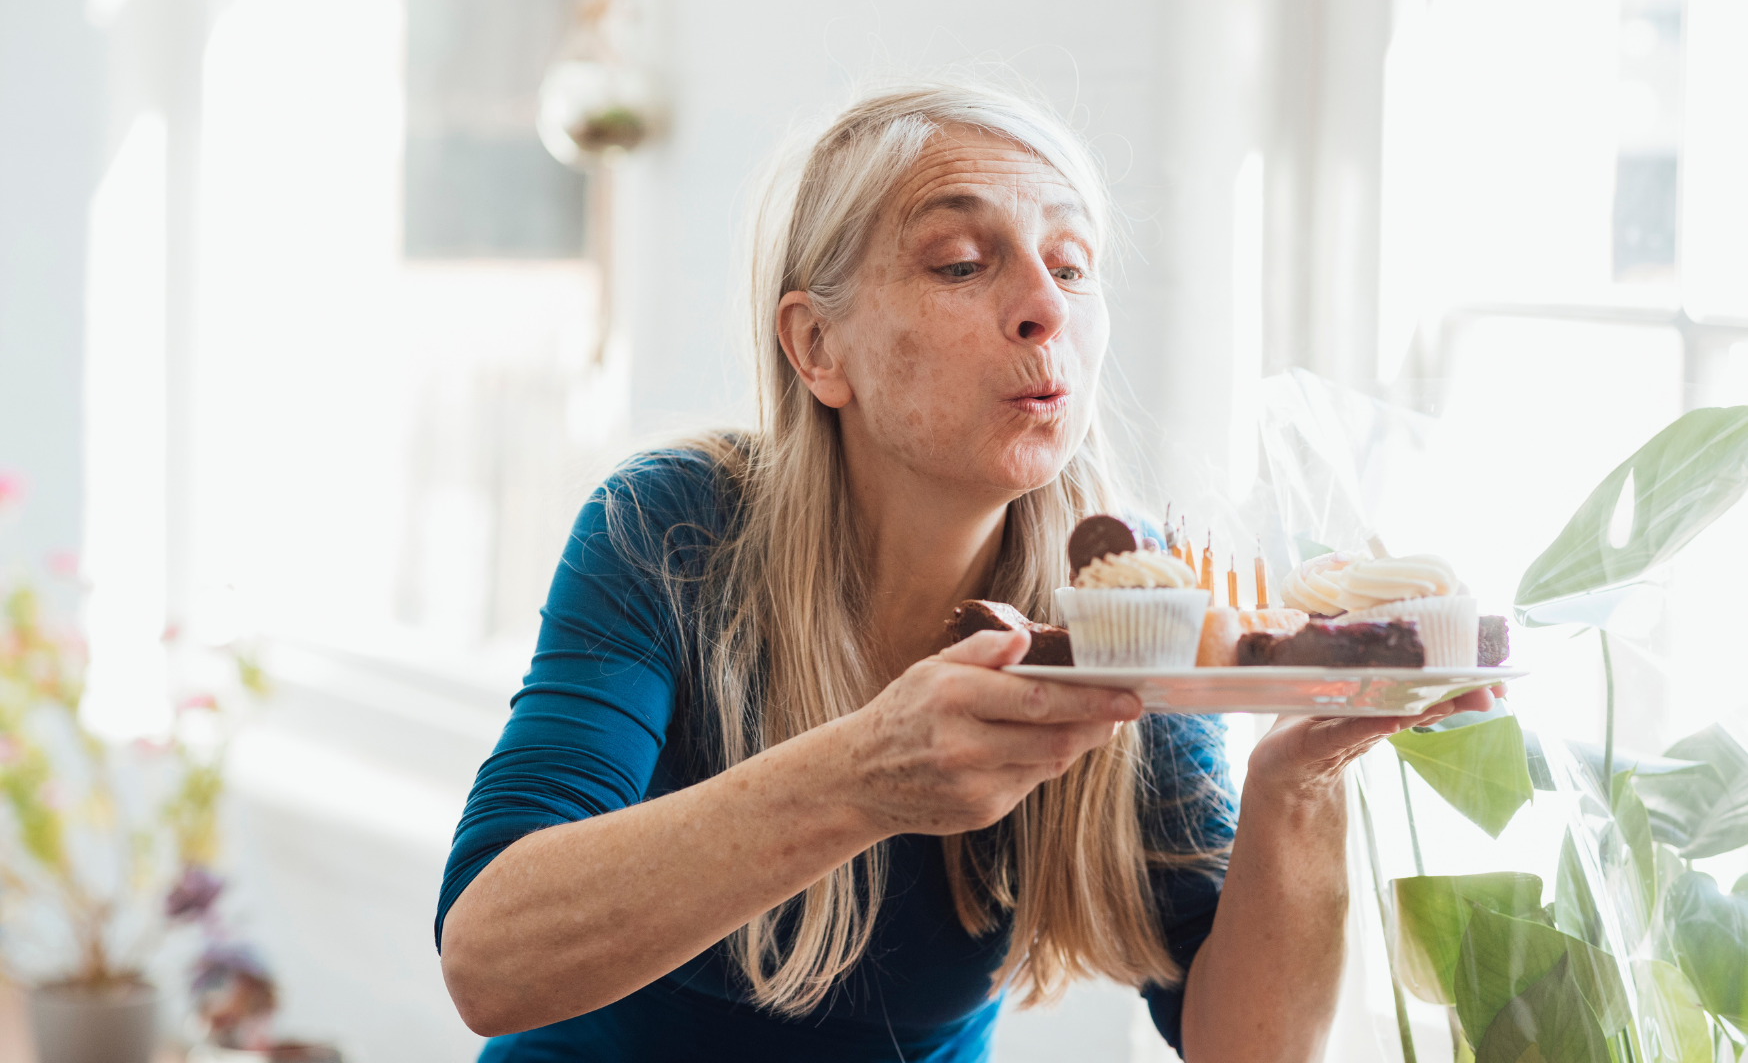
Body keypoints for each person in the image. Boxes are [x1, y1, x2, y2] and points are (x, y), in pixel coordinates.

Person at [434, 81, 1495, 1061]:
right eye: (959, 262)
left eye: (1071, 266)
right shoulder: (671, 529)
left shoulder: (1127, 604)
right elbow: (488, 959)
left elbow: (1246, 1048)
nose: (1046, 309)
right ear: (817, 348)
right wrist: (860, 776)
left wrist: (1298, 779)